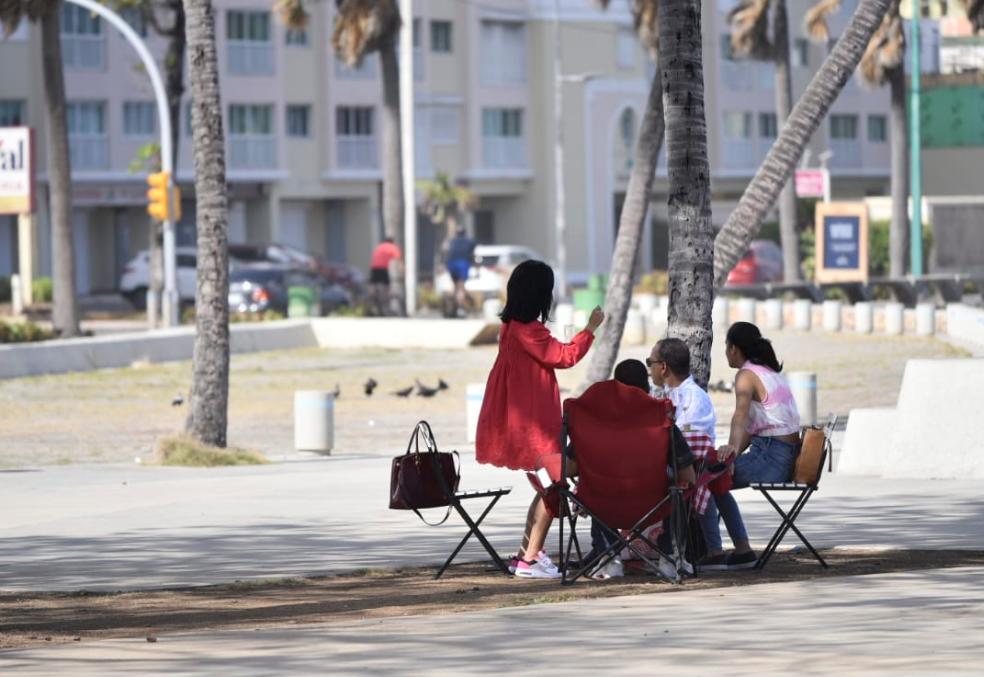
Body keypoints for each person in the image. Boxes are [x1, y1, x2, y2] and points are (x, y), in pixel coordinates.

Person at [475, 260, 604, 579]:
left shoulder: (510, 327)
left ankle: (527, 553)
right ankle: (530, 558)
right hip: (534, 420)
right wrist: (589, 329)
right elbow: (564, 356)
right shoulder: (529, 331)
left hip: (520, 416)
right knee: (553, 484)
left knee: (547, 484)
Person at [701, 321, 801, 571]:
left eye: (726, 347)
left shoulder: (746, 375)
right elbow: (755, 427)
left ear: (733, 348)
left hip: (772, 456)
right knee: (717, 473)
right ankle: (737, 549)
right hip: (781, 453)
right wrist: (730, 457)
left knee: (707, 478)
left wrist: (730, 455)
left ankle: (719, 552)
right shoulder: (768, 371)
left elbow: (740, 416)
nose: (725, 352)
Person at [587, 359, 696, 579]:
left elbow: (569, 468)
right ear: (645, 387)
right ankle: (669, 556)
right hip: (653, 501)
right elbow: (688, 473)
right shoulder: (661, 421)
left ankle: (610, 559)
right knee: (679, 489)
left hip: (606, 501)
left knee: (592, 489)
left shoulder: (596, 424)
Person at [444, 226, 477, 315]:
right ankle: (460, 309)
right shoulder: (470, 241)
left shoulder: (452, 241)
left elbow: (446, 251)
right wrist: (476, 267)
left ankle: (451, 305)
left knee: (455, 286)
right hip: (462, 263)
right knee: (461, 288)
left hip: (451, 263)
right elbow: (473, 254)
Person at [368, 237, 402, 316]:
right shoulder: (393, 247)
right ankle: (386, 300)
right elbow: (398, 259)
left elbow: (374, 257)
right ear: (392, 242)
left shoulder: (379, 247)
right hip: (383, 269)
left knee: (373, 284)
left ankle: (371, 298)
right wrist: (402, 270)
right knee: (387, 286)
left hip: (374, 268)